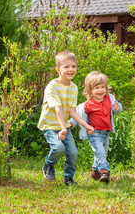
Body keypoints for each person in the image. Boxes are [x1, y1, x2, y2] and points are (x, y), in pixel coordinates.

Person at [37, 51, 94, 186]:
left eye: (73, 66)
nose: (71, 69)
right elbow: (58, 108)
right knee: (58, 148)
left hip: (64, 126)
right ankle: (48, 165)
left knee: (73, 152)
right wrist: (63, 129)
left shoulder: (73, 88)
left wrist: (85, 125)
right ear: (58, 69)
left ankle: (68, 178)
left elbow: (71, 111)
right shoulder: (52, 86)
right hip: (50, 125)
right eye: (66, 67)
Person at [70, 71, 122, 183]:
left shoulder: (110, 98)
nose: (100, 90)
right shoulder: (88, 104)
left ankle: (95, 172)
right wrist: (71, 123)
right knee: (100, 152)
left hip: (106, 132)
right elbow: (77, 115)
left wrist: (118, 108)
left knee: (102, 151)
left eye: (102, 87)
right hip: (94, 133)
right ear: (90, 90)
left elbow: (117, 110)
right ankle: (104, 171)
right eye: (97, 87)